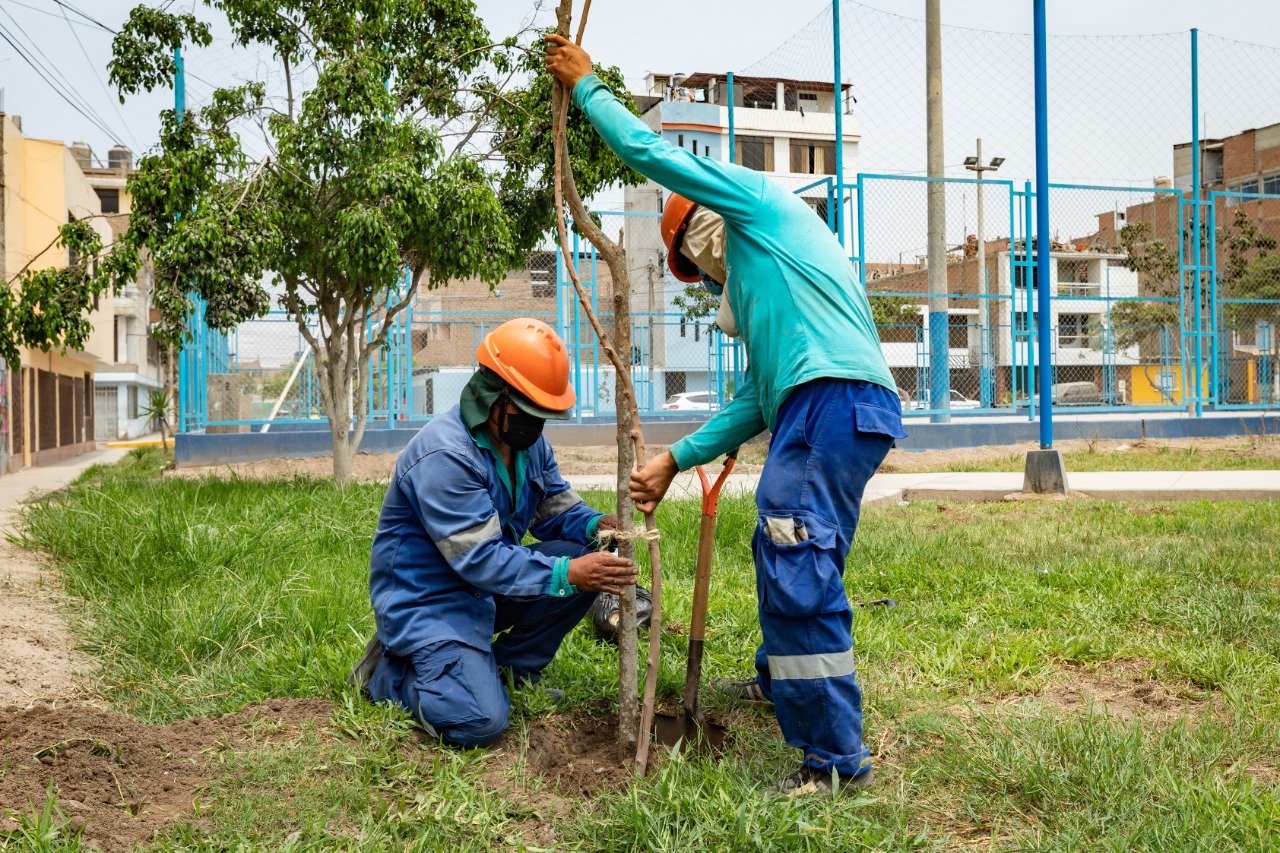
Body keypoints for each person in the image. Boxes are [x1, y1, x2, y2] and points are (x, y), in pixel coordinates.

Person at [545, 36, 908, 797]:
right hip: (840, 404)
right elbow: (752, 400)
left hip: (831, 400)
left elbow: (652, 154)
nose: (704, 272)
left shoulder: (757, 204)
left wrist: (587, 91)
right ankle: (784, 681)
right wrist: (674, 461)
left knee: (792, 544)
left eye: (693, 256)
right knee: (797, 543)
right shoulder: (767, 286)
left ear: (700, 223)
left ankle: (835, 763)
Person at [349, 318, 637, 748]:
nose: (536, 425)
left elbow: (555, 506)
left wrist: (597, 525)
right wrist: (570, 573)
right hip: (430, 604)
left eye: (544, 415)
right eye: (528, 411)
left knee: (580, 549)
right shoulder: (445, 455)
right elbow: (481, 558)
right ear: (493, 396)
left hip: (484, 590)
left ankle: (511, 672)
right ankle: (389, 675)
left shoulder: (527, 444)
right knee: (480, 722)